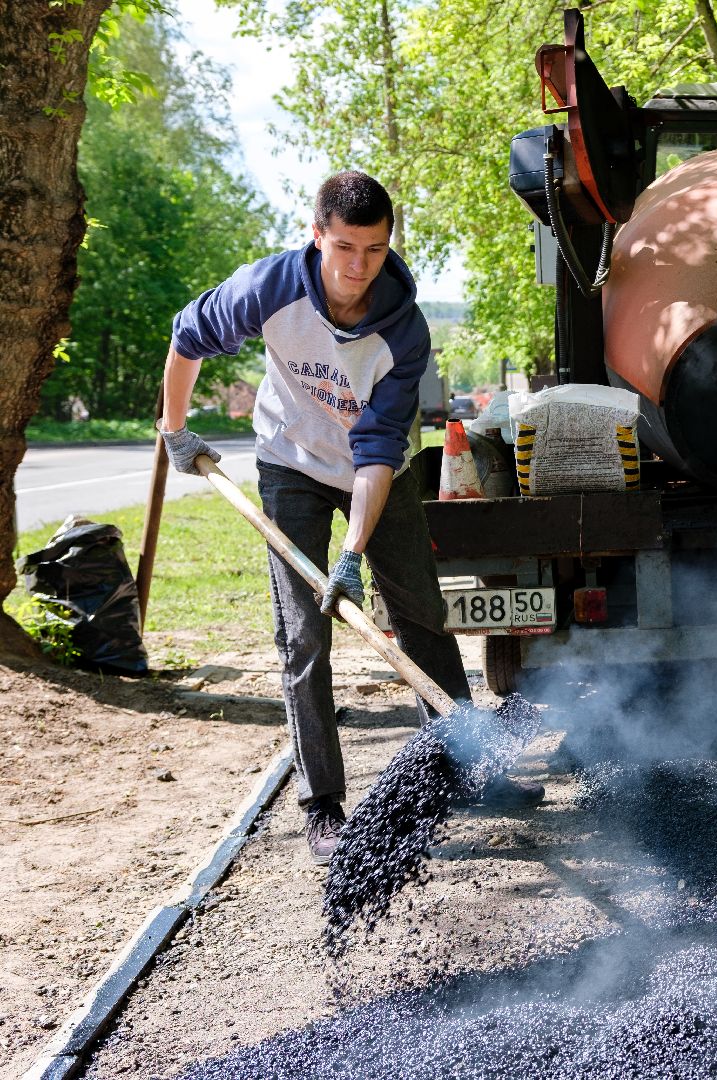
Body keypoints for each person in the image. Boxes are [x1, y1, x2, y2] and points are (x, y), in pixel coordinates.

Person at [158, 171, 537, 866]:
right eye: (343, 248)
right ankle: (322, 807)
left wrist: (352, 554)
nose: (358, 266)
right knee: (303, 636)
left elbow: (375, 453)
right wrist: (174, 427)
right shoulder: (268, 289)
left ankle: (465, 772)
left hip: (374, 474)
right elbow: (188, 336)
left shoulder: (403, 330)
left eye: (373, 248)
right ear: (317, 237)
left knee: (422, 614)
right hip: (289, 462)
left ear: (389, 243)